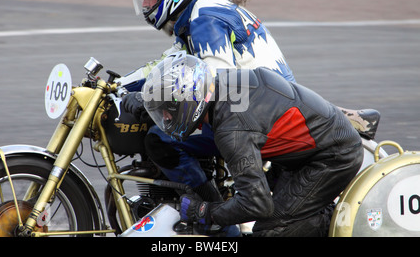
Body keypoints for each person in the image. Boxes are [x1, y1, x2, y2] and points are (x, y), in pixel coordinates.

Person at [121, 0, 295, 202]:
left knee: (161, 140)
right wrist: (117, 85)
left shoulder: (205, 18)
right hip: (256, 106)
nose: (145, 4)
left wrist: (148, 99)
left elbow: (212, 82)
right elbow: (167, 66)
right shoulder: (196, 13)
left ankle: (213, 218)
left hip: (260, 117)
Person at [140, 52, 364, 236]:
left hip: (331, 156)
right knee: (282, 211)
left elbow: (256, 204)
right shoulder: (220, 84)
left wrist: (203, 210)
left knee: (270, 230)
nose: (165, 118)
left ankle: (323, 224)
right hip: (304, 151)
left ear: (190, 100)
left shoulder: (232, 130)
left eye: (167, 109)